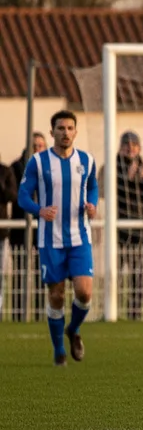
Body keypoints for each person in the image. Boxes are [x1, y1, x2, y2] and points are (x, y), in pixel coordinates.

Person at [16, 111, 97, 365]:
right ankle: (58, 350)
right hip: (51, 239)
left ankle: (72, 329)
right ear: (52, 133)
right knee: (57, 295)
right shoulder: (38, 162)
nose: (65, 132)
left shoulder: (87, 160)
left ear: (76, 131)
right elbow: (23, 196)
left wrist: (92, 205)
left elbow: (93, 186)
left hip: (79, 236)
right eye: (60, 128)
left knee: (84, 293)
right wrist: (39, 210)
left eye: (70, 128)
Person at [99, 131, 143, 320]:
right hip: (117, 230)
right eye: (127, 145)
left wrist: (141, 180)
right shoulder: (109, 167)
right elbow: (103, 192)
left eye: (134, 145)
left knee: (138, 275)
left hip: (140, 231)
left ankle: (135, 313)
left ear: (139, 148)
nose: (130, 148)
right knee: (115, 274)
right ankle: (111, 312)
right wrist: (128, 178)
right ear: (120, 147)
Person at [9, 133, 48, 321]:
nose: (38, 149)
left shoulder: (51, 167)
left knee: (42, 274)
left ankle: (41, 314)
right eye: (34, 146)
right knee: (20, 273)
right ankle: (18, 314)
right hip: (20, 228)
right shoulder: (17, 167)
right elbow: (17, 194)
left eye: (41, 145)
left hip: (43, 228)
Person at [0, 155, 18, 318]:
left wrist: (1, 186)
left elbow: (13, 195)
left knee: (0, 273)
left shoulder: (5, 171)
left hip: (1, 231)